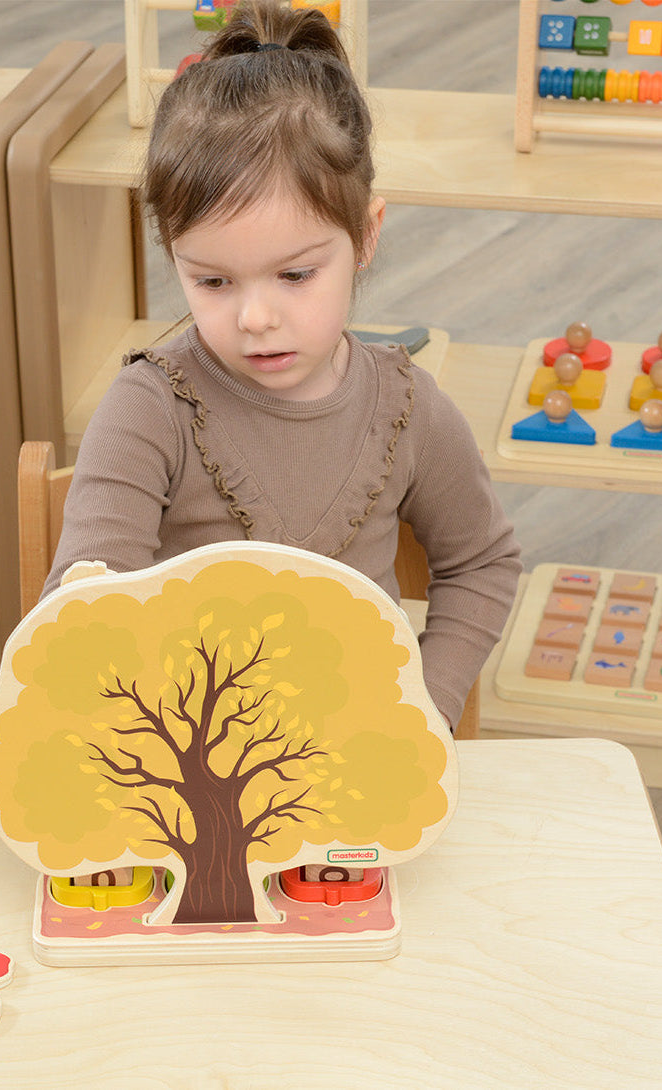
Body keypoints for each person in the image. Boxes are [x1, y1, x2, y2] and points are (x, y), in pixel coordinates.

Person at [42, 0, 520, 732]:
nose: (255, 317)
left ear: (365, 237)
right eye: (212, 281)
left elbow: (483, 563)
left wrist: (425, 705)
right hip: (182, 763)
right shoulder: (150, 407)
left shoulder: (408, 408)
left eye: (294, 276)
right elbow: (84, 611)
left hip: (355, 764)